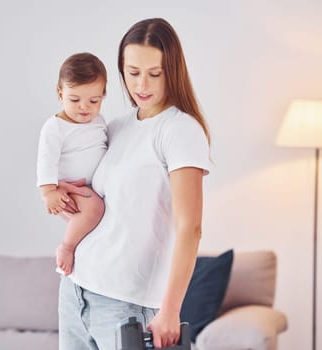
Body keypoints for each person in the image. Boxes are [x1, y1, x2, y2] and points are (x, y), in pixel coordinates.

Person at [56, 18, 211, 350]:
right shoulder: (116, 126)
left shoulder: (180, 131)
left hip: (127, 305)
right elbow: (103, 207)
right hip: (76, 291)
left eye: (155, 73)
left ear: (173, 70)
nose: (142, 84)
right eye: (132, 72)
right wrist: (62, 195)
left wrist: (170, 310)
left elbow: (191, 228)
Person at [36, 52, 107, 276]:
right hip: (70, 188)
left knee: (98, 217)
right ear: (60, 94)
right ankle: (67, 247)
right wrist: (48, 192)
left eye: (93, 101)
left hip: (90, 187)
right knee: (94, 209)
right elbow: (46, 160)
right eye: (75, 100)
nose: (84, 107)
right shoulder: (55, 127)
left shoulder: (99, 121)